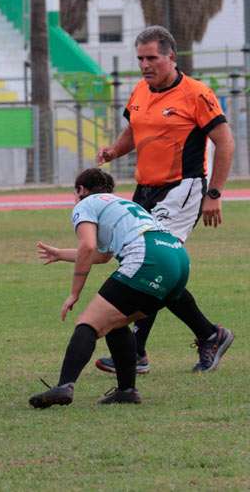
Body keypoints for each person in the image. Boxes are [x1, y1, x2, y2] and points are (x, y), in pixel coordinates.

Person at [96, 25, 234, 374]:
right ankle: (207, 334)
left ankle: (138, 351)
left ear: (171, 57)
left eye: (152, 58)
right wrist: (114, 150)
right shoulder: (141, 89)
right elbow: (133, 130)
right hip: (145, 189)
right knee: (141, 264)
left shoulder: (197, 94)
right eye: (140, 58)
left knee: (151, 264)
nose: (145, 64)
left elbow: (226, 142)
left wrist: (213, 194)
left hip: (182, 189)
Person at [29, 168, 190, 408]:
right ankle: (127, 391)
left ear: (81, 190)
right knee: (116, 321)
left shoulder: (85, 204)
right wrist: (61, 254)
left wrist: (74, 292)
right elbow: (103, 255)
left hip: (149, 257)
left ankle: (64, 386)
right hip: (177, 258)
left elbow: (87, 246)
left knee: (88, 323)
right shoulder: (120, 204)